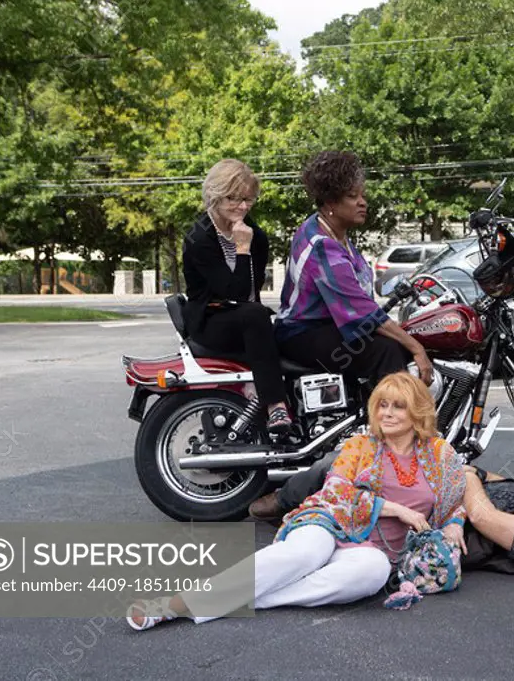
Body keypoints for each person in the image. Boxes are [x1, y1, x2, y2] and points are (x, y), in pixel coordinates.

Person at [126, 372, 467, 630]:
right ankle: (178, 604)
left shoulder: (438, 454)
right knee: (305, 553)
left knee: (372, 575)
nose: (387, 413)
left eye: (398, 406)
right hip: (330, 523)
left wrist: (454, 524)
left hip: (376, 551)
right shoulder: (360, 447)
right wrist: (393, 509)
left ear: (418, 412)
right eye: (382, 405)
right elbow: (337, 492)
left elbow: (455, 499)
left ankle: (244, 599)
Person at [250, 457, 514, 581]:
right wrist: (476, 469)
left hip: (444, 511)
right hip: (453, 486)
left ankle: (283, 500)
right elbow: (509, 484)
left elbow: (484, 516)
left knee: (345, 468)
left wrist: (465, 474)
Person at [274, 150, 432, 386]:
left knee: (393, 341)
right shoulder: (322, 245)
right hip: (302, 333)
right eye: (352, 196)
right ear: (331, 202)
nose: (362, 202)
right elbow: (360, 311)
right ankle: (387, 421)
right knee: (387, 350)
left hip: (327, 327)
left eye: (362, 194)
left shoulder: (332, 232)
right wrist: (415, 347)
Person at [182, 159, 291, 434]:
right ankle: (276, 406)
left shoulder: (257, 235)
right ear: (215, 197)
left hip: (244, 318)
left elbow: (252, 290)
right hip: (210, 320)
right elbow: (237, 293)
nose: (242, 207)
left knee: (288, 329)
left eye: (247, 199)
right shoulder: (199, 240)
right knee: (254, 314)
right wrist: (241, 248)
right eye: (233, 199)